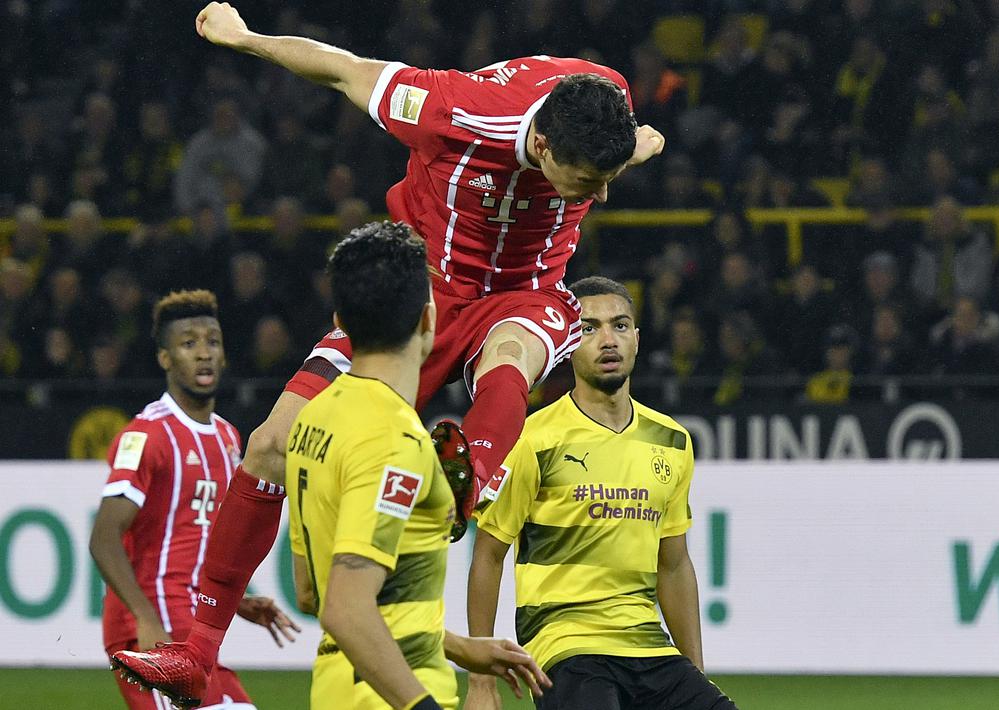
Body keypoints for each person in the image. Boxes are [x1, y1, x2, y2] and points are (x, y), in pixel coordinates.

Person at [114, 2, 665, 703]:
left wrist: (641, 146)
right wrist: (245, 38)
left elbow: (633, 144)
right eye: (588, 181)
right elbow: (341, 70)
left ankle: (469, 480)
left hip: (526, 291)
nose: (600, 194)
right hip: (422, 293)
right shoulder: (452, 110)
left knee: (513, 354)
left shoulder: (605, 103)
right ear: (548, 145)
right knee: (269, 444)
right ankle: (195, 652)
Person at [283, 222, 549, 709]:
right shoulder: (396, 439)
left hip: (336, 689)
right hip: (390, 696)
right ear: (430, 319)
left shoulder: (312, 418)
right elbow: (345, 608)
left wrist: (459, 647)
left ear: (341, 319)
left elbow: (311, 592)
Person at [466, 277, 737, 710]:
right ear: (569, 342)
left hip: (648, 646)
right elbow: (488, 555)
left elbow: (674, 565)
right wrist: (481, 683)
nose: (608, 340)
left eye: (620, 325)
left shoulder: (672, 440)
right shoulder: (532, 438)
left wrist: (694, 676)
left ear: (637, 339)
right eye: (589, 328)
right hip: (564, 646)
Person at [95, 290, 299, 710]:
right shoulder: (147, 434)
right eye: (189, 344)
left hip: (193, 628)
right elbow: (103, 538)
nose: (204, 353)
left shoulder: (228, 437)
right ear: (165, 358)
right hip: (152, 628)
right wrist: (144, 618)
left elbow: (202, 533)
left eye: (213, 342)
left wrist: (238, 602)